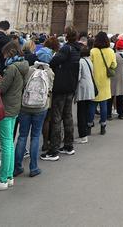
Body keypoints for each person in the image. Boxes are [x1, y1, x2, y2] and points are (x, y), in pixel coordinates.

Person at [0, 41, 28, 192]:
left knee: (6, 143)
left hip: (6, 108)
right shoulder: (23, 66)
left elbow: (1, 89)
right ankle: (9, 176)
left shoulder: (11, 68)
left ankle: (2, 179)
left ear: (9, 53)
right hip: (15, 106)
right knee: (9, 143)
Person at [44, 27, 80, 158]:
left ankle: (54, 150)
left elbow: (53, 62)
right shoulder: (77, 49)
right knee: (68, 116)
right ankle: (68, 145)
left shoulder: (66, 48)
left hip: (61, 86)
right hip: (71, 86)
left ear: (66, 36)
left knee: (56, 117)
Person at [14, 61, 54, 177]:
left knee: (22, 136)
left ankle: (17, 167)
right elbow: (50, 89)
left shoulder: (29, 70)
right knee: (35, 137)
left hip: (25, 106)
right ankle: (33, 167)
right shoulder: (50, 73)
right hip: (41, 107)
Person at [89, 32, 117, 135]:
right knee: (104, 104)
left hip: (94, 80)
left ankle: (89, 124)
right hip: (105, 81)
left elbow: (90, 65)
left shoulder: (93, 51)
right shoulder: (110, 51)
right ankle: (103, 125)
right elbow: (114, 65)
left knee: (92, 104)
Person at [75, 45, 96, 143]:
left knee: (81, 113)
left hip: (83, 89)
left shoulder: (80, 62)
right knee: (86, 111)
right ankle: (86, 132)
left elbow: (78, 76)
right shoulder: (89, 61)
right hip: (90, 88)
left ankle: (83, 135)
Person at [109, 37, 123, 120]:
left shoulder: (114, 56)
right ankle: (121, 113)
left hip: (113, 77)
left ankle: (109, 114)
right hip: (122, 77)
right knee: (121, 96)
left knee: (111, 96)